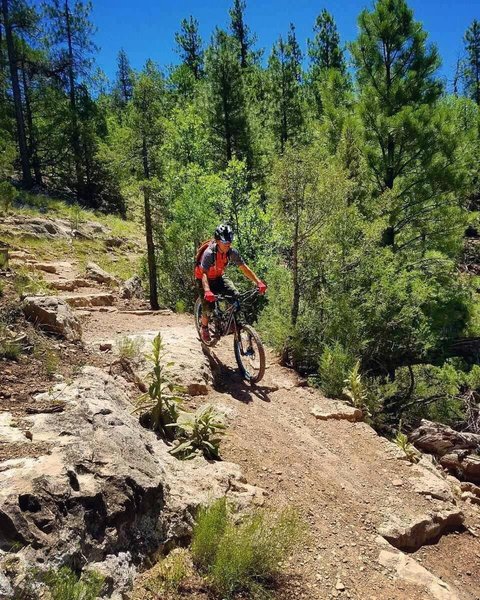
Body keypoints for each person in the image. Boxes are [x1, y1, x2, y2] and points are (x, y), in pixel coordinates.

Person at [195, 224, 267, 343]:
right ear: (218, 241)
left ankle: (231, 322)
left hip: (219, 276)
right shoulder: (209, 253)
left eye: (230, 242)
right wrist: (207, 291)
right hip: (204, 278)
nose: (228, 245)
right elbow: (203, 274)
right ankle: (204, 327)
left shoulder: (231, 252)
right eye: (225, 242)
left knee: (235, 296)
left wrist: (258, 282)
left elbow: (244, 268)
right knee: (208, 307)